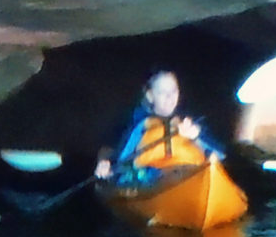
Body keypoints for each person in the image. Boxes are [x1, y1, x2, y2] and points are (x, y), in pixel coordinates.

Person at [95, 70, 223, 182]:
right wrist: (108, 167)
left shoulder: (189, 123)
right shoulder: (142, 125)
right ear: (150, 96)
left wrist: (196, 136)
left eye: (174, 91)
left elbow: (221, 155)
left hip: (191, 174)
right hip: (152, 177)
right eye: (162, 92)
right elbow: (121, 158)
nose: (170, 97)